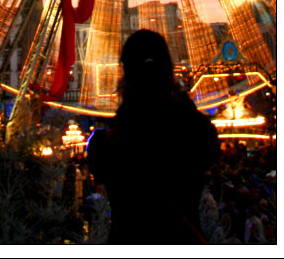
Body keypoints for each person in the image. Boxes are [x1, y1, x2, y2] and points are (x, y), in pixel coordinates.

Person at [87, 30, 220, 244]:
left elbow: (100, 166)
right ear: (168, 70)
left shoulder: (107, 145)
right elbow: (210, 147)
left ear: (126, 73)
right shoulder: (194, 135)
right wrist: (178, 96)